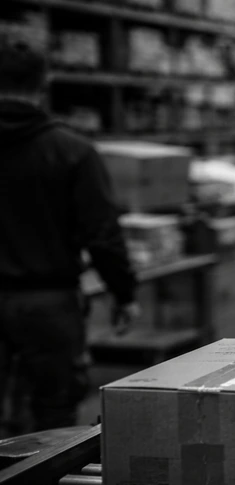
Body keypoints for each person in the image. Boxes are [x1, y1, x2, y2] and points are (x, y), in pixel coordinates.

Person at [0, 43, 138, 434]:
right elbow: (102, 233)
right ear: (44, 84)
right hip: (48, 304)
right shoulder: (72, 151)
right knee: (53, 414)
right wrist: (123, 292)